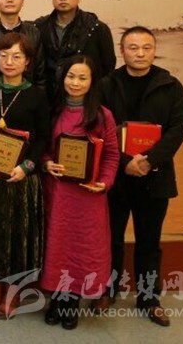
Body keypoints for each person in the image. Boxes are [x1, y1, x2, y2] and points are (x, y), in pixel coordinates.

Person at [100, 26, 183, 327]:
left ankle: (149, 298)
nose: (140, 53)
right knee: (111, 238)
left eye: (146, 47)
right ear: (122, 51)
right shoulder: (107, 85)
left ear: (154, 50)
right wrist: (126, 162)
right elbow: (100, 128)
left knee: (149, 241)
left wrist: (149, 161)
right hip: (116, 176)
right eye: (133, 47)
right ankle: (107, 290)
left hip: (155, 178)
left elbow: (177, 130)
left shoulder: (171, 86)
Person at [0, 32, 50, 320]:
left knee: (17, 239)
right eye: (3, 55)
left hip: (21, 181)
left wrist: (27, 166)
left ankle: (11, 296)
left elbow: (43, 138)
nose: (9, 61)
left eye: (16, 56)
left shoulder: (37, 95)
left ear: (27, 62)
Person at [40, 55, 120, 330]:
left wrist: (105, 182)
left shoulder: (102, 115)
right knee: (58, 247)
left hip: (88, 196)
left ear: (92, 81)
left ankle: (72, 302)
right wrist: (46, 163)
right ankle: (56, 300)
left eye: (82, 77)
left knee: (82, 249)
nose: (75, 82)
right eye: (71, 76)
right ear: (62, 78)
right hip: (59, 193)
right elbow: (42, 147)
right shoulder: (53, 110)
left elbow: (111, 154)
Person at [35, 0, 116, 102]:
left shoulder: (96, 28)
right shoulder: (39, 27)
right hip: (47, 100)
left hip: (86, 101)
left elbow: (108, 67)